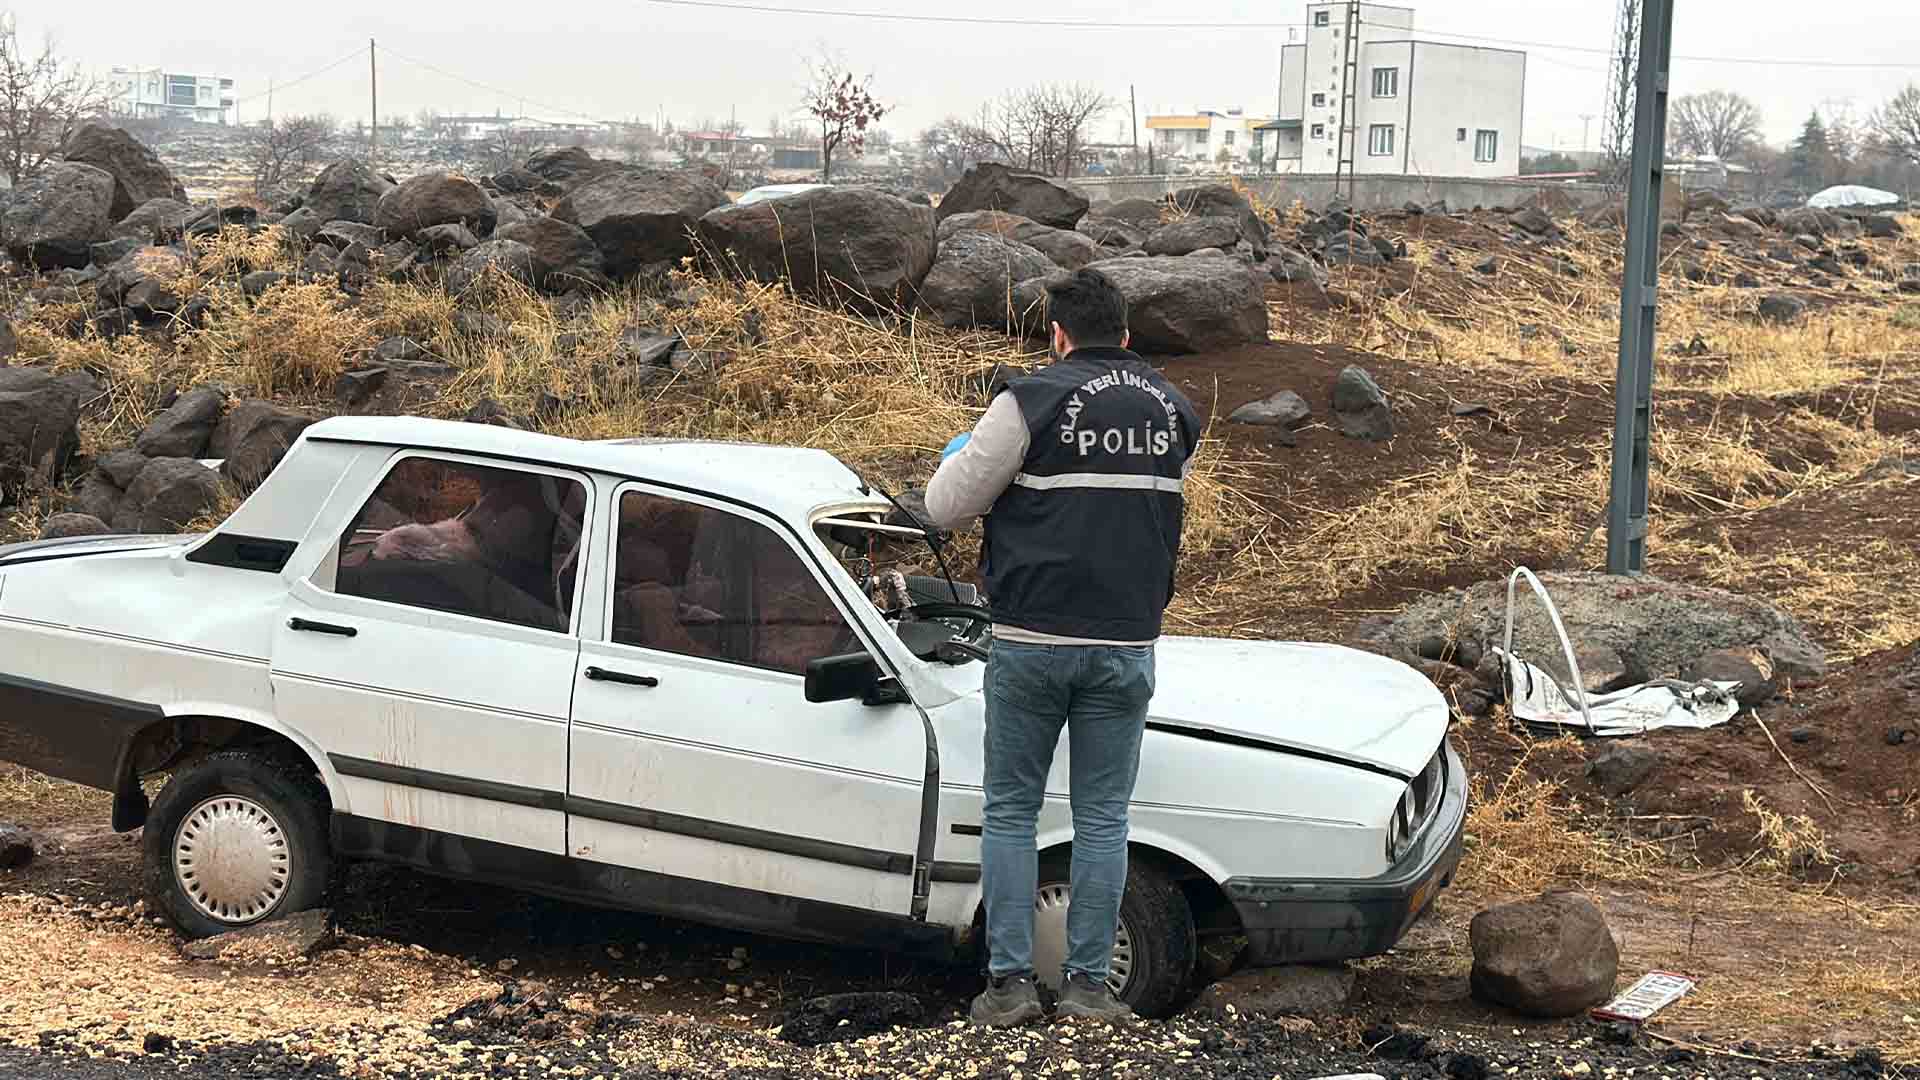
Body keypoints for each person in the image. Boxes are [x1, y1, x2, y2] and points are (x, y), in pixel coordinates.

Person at [924, 268, 1200, 1026]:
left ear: (1058, 334)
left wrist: (964, 453)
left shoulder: (1028, 401)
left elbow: (945, 507)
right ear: (1128, 335)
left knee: (1012, 812)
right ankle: (1087, 990)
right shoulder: (1177, 410)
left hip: (1033, 641)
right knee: (1104, 818)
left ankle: (1008, 987)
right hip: (1126, 643)